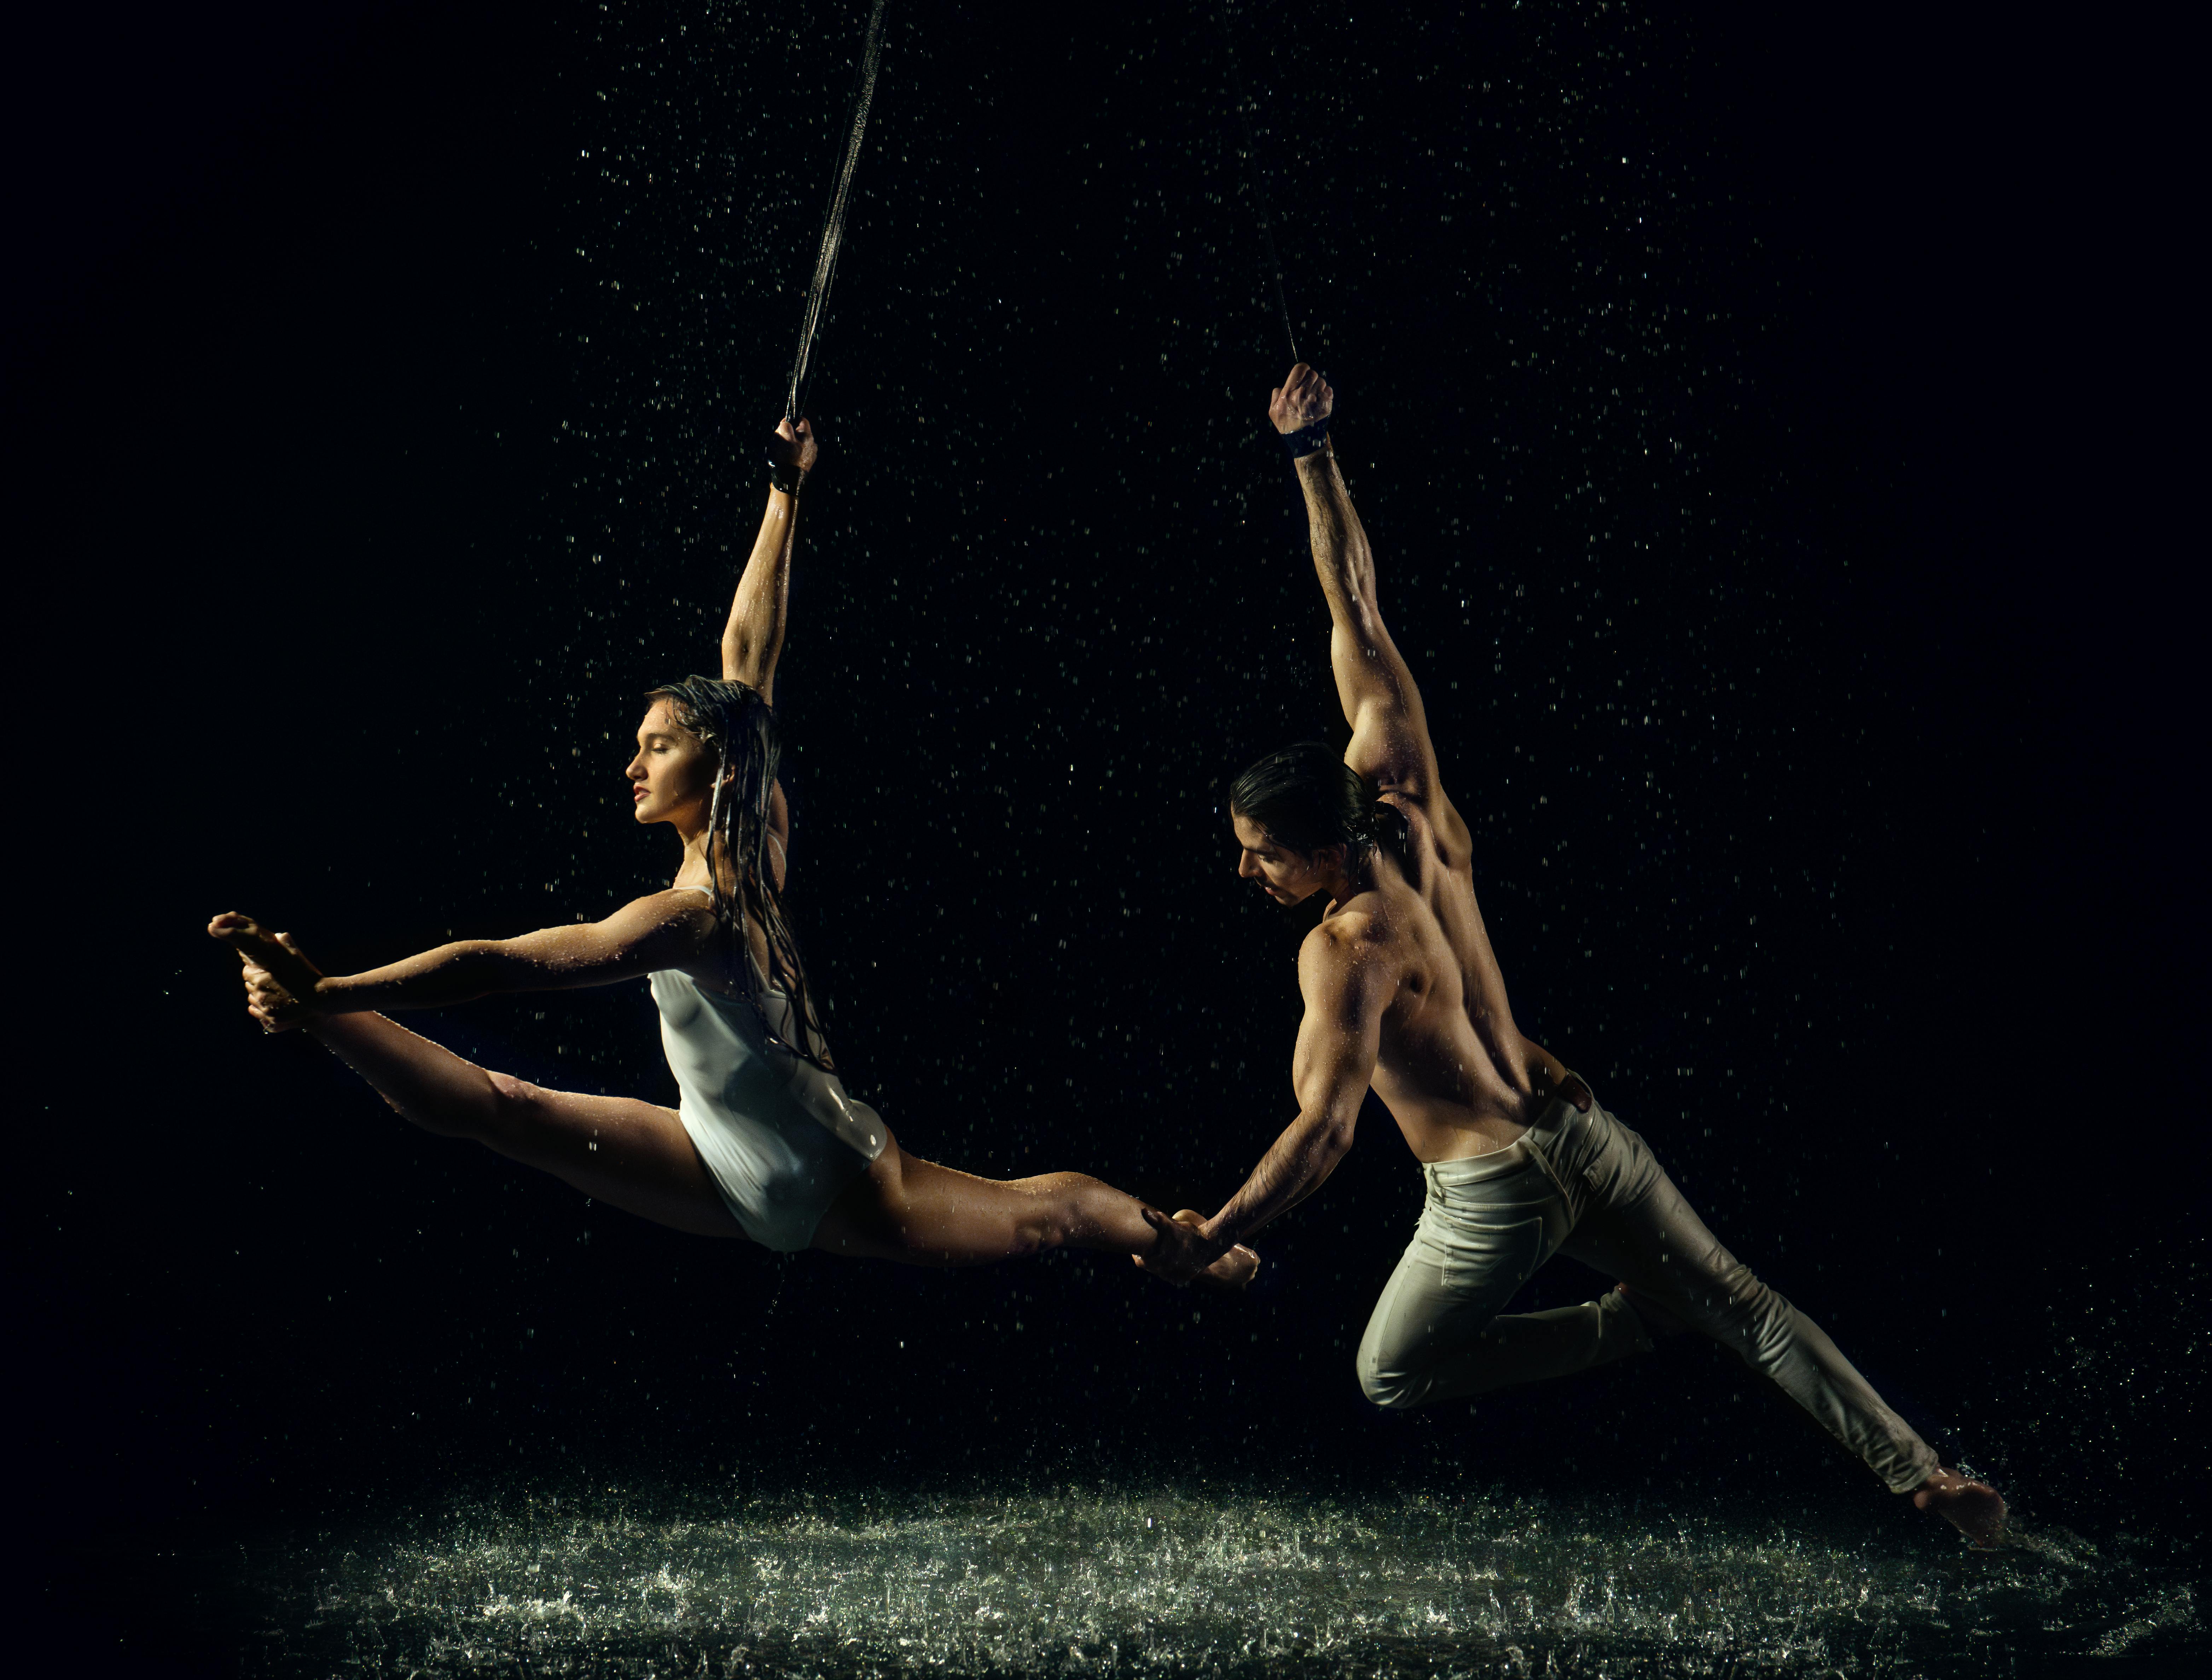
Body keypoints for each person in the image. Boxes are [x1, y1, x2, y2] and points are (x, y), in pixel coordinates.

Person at [1138, 366, 2005, 1544]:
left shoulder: (1343, 948)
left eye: (1260, 855)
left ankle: (1622, 1329)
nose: (1248, 874)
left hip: (1491, 1192)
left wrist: (1222, 1231)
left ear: (1316, 854)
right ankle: (1925, 1476)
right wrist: (1314, 453)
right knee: (1747, 1306)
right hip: (1583, 1133)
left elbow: (1329, 1130)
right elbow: (1355, 607)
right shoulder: (1405, 790)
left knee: (1386, 1378)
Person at [211, 417, 1255, 1286]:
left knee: (1054, 1214)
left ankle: (1182, 1248)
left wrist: (347, 979)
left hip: (831, 1174)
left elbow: (507, 963)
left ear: (711, 765)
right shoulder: (754, 833)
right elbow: (748, 657)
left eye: (655, 746)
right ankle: (317, 1010)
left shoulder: (696, 915)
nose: (631, 765)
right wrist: (783, 492)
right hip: (719, 1155)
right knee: (504, 1110)